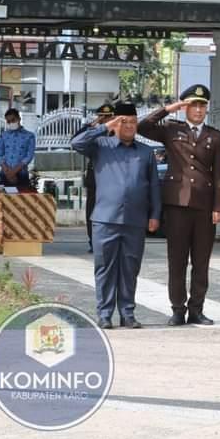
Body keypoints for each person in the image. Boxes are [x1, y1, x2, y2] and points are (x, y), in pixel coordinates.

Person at [138, 84, 220, 326]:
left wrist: (219, 207)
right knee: (177, 260)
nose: (198, 110)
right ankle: (178, 309)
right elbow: (142, 126)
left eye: (202, 105)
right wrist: (169, 109)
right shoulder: (171, 130)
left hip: (204, 206)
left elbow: (218, 175)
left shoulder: (214, 136)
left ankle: (196, 309)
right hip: (177, 204)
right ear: (185, 107)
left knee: (201, 261)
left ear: (207, 109)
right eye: (193, 105)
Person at [72, 104, 161, 329]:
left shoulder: (145, 152)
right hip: (105, 218)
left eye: (132, 122)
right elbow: (76, 142)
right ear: (115, 123)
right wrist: (105, 127)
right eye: (124, 121)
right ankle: (104, 313)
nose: (129, 126)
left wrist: (155, 214)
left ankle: (127, 313)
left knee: (130, 268)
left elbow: (154, 187)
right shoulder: (101, 146)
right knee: (105, 267)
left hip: (135, 219)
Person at [77, 104, 115, 253]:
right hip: (95, 177)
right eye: (101, 117)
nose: (104, 120)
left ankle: (109, 241)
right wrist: (92, 125)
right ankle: (93, 242)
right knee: (92, 211)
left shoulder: (117, 132)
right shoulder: (94, 132)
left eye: (107, 117)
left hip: (112, 178)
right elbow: (76, 140)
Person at [0, 108, 36, 190]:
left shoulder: (29, 136)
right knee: (4, 201)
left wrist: (14, 171)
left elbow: (29, 156)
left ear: (19, 119)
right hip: (5, 174)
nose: (11, 123)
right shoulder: (3, 136)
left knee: (21, 200)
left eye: (13, 120)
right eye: (8, 121)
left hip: (21, 174)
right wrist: (8, 172)